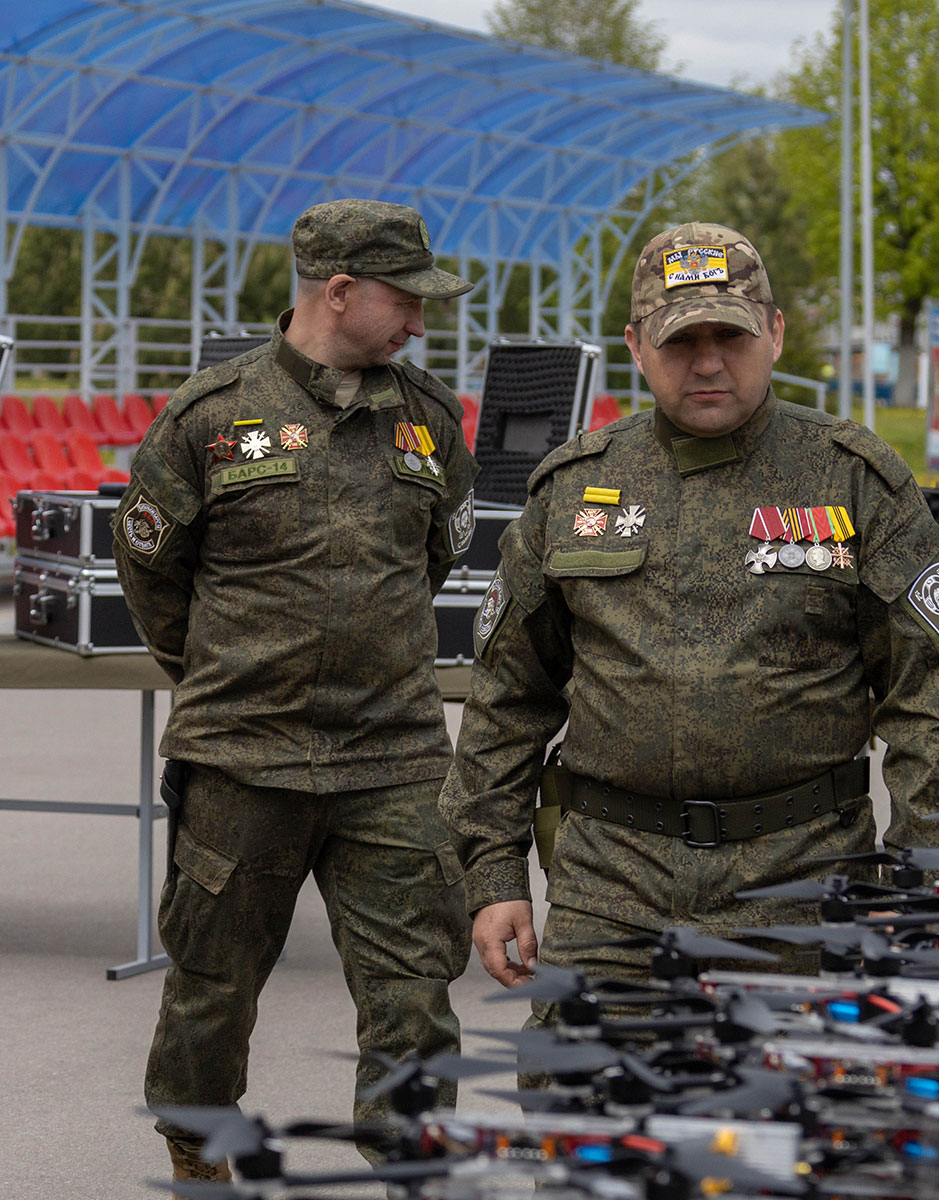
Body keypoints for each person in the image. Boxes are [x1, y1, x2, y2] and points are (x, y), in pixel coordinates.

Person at [439, 221, 939, 997]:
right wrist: (491, 872)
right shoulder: (575, 487)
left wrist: (930, 880)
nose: (710, 362)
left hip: (802, 883)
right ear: (634, 346)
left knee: (795, 1112)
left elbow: (930, 698)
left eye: (732, 336)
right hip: (611, 888)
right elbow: (507, 697)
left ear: (777, 334)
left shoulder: (853, 479)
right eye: (681, 343)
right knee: (587, 1110)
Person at [114, 199, 479, 1183]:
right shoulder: (209, 417)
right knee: (211, 986)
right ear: (341, 291)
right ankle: (198, 1154)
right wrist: (227, 674)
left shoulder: (432, 422)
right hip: (243, 754)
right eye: (406, 300)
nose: (418, 322)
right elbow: (151, 569)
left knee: (414, 992)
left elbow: (439, 554)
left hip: (392, 757)